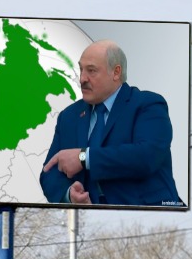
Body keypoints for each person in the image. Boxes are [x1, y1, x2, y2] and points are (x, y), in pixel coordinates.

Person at [41, 39, 184, 207]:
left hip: (148, 213)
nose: (82, 79)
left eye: (91, 71)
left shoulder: (148, 104)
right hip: (91, 219)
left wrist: (83, 157)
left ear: (116, 72)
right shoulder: (69, 116)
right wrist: (70, 196)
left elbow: (147, 156)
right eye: (81, 69)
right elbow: (48, 172)